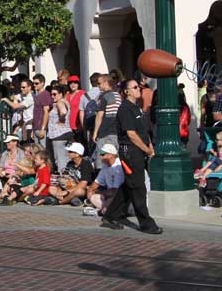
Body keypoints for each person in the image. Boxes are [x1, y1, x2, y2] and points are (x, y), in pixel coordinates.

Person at [100, 79, 162, 234]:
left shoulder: (137, 108)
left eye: (138, 87)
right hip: (130, 152)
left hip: (139, 151)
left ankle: (111, 215)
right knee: (138, 187)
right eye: (134, 87)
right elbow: (131, 135)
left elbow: (142, 132)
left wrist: (149, 146)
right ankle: (146, 223)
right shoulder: (125, 109)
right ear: (127, 91)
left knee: (129, 185)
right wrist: (146, 150)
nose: (138, 89)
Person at [55, 142, 95, 206]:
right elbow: (64, 179)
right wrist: (59, 191)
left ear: (77, 154)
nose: (68, 153)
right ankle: (71, 199)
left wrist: (67, 191)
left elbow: (83, 184)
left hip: (85, 189)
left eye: (70, 151)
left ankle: (62, 201)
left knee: (79, 191)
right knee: (51, 188)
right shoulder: (70, 163)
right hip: (71, 186)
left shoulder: (86, 164)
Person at [88, 143, 124, 215]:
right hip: (110, 195)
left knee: (112, 198)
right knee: (93, 197)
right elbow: (96, 183)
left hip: (120, 196)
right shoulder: (105, 166)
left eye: (103, 154)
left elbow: (115, 190)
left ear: (111, 155)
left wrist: (100, 193)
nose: (100, 157)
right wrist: (90, 191)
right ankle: (105, 210)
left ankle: (103, 211)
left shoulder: (118, 166)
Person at [45, 84, 72, 173]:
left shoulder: (60, 103)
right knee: (66, 158)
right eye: (51, 94)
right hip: (66, 133)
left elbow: (63, 111)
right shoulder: (66, 102)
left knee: (60, 160)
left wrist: (61, 118)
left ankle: (63, 178)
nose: (52, 96)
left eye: (55, 94)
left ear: (61, 94)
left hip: (58, 136)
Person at [31, 73, 52, 149]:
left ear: (42, 83)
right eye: (33, 83)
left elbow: (46, 112)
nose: (34, 85)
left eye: (36, 83)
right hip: (36, 127)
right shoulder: (38, 96)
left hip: (42, 128)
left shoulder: (45, 94)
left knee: (43, 152)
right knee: (37, 152)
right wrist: (34, 129)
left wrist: (43, 129)